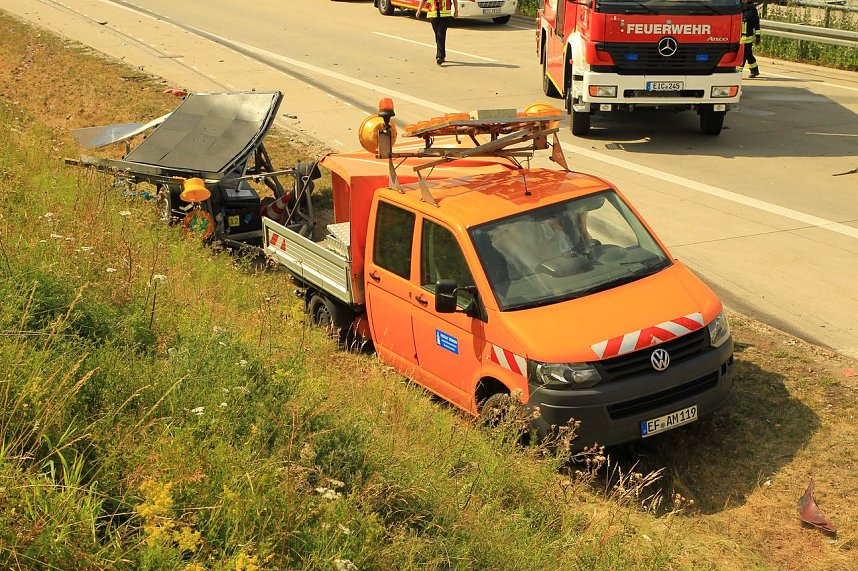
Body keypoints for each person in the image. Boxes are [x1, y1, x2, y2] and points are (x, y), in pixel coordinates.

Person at [416, 0, 457, 66]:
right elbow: (423, 0)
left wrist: (456, 11)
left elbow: (455, 0)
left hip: (444, 16)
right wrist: (419, 10)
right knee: (437, 36)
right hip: (433, 15)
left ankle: (439, 56)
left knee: (440, 35)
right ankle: (442, 55)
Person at [740, 0, 761, 78]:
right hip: (739, 38)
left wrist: (758, 36)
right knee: (748, 55)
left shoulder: (752, 10)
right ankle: (754, 70)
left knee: (743, 55)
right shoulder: (738, 8)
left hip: (748, 38)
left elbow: (756, 23)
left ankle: (739, 71)